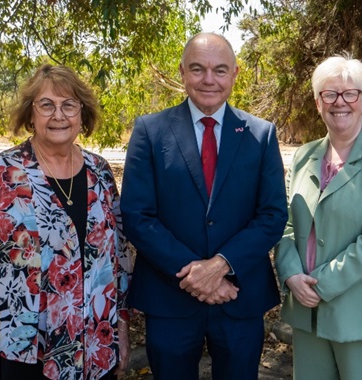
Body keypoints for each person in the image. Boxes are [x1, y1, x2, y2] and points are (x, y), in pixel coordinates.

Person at [120, 32, 288, 380]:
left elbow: (272, 215)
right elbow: (138, 215)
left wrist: (222, 266)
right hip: (169, 298)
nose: (209, 79)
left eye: (220, 70)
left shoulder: (261, 134)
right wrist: (196, 274)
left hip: (239, 297)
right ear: (182, 72)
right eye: (198, 69)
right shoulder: (150, 131)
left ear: (235, 74)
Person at [0, 64, 132, 380]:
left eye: (68, 105)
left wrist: (121, 332)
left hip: (95, 350)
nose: (58, 115)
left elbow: (118, 262)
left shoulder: (100, 172)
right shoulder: (0, 172)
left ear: (82, 114)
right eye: (46, 105)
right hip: (22, 354)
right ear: (31, 115)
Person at [274, 55, 362, 380]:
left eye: (351, 93)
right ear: (318, 101)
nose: (340, 102)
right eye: (329, 94)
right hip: (307, 311)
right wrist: (291, 273)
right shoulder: (304, 156)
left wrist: (321, 285)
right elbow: (287, 225)